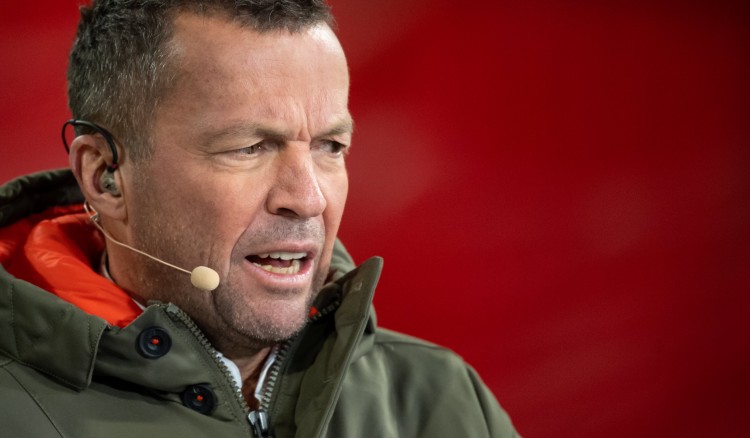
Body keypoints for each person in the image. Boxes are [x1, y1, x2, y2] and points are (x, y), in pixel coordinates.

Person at [0, 1, 518, 436]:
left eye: (330, 146)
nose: (308, 199)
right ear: (106, 177)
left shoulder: (441, 399)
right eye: (249, 147)